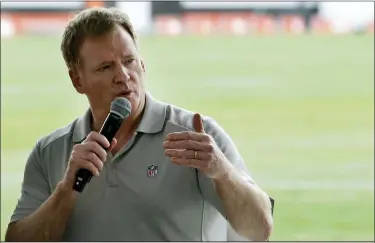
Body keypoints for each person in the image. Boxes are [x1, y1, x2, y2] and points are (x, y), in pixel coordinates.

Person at [5, 7, 274, 242]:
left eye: (129, 60)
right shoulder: (50, 152)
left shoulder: (197, 136)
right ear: (77, 80)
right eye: (105, 67)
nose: (123, 76)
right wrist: (66, 190)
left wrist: (221, 171)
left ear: (142, 64)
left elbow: (260, 230)